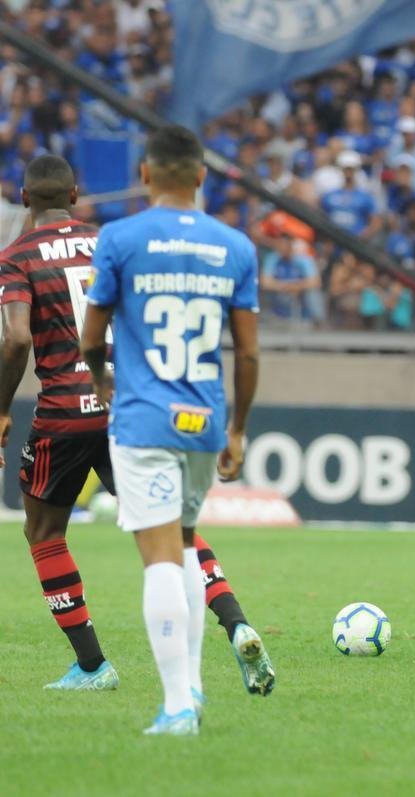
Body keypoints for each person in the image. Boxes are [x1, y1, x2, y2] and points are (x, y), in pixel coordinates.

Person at [0, 154, 273, 697]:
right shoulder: (110, 242)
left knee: (44, 532)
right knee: (173, 531)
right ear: (76, 195)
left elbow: (18, 338)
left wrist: (3, 408)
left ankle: (92, 664)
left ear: (26, 200)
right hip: (128, 405)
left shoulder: (17, 256)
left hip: (62, 413)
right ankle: (236, 621)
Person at [79, 126, 262, 735]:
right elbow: (249, 353)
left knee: (158, 556)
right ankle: (196, 688)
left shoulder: (120, 238)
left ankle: (178, 705)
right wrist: (237, 430)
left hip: (143, 419)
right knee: (184, 543)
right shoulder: (234, 246)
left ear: (148, 175)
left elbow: (90, 336)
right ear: (202, 176)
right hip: (205, 421)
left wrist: (105, 385)